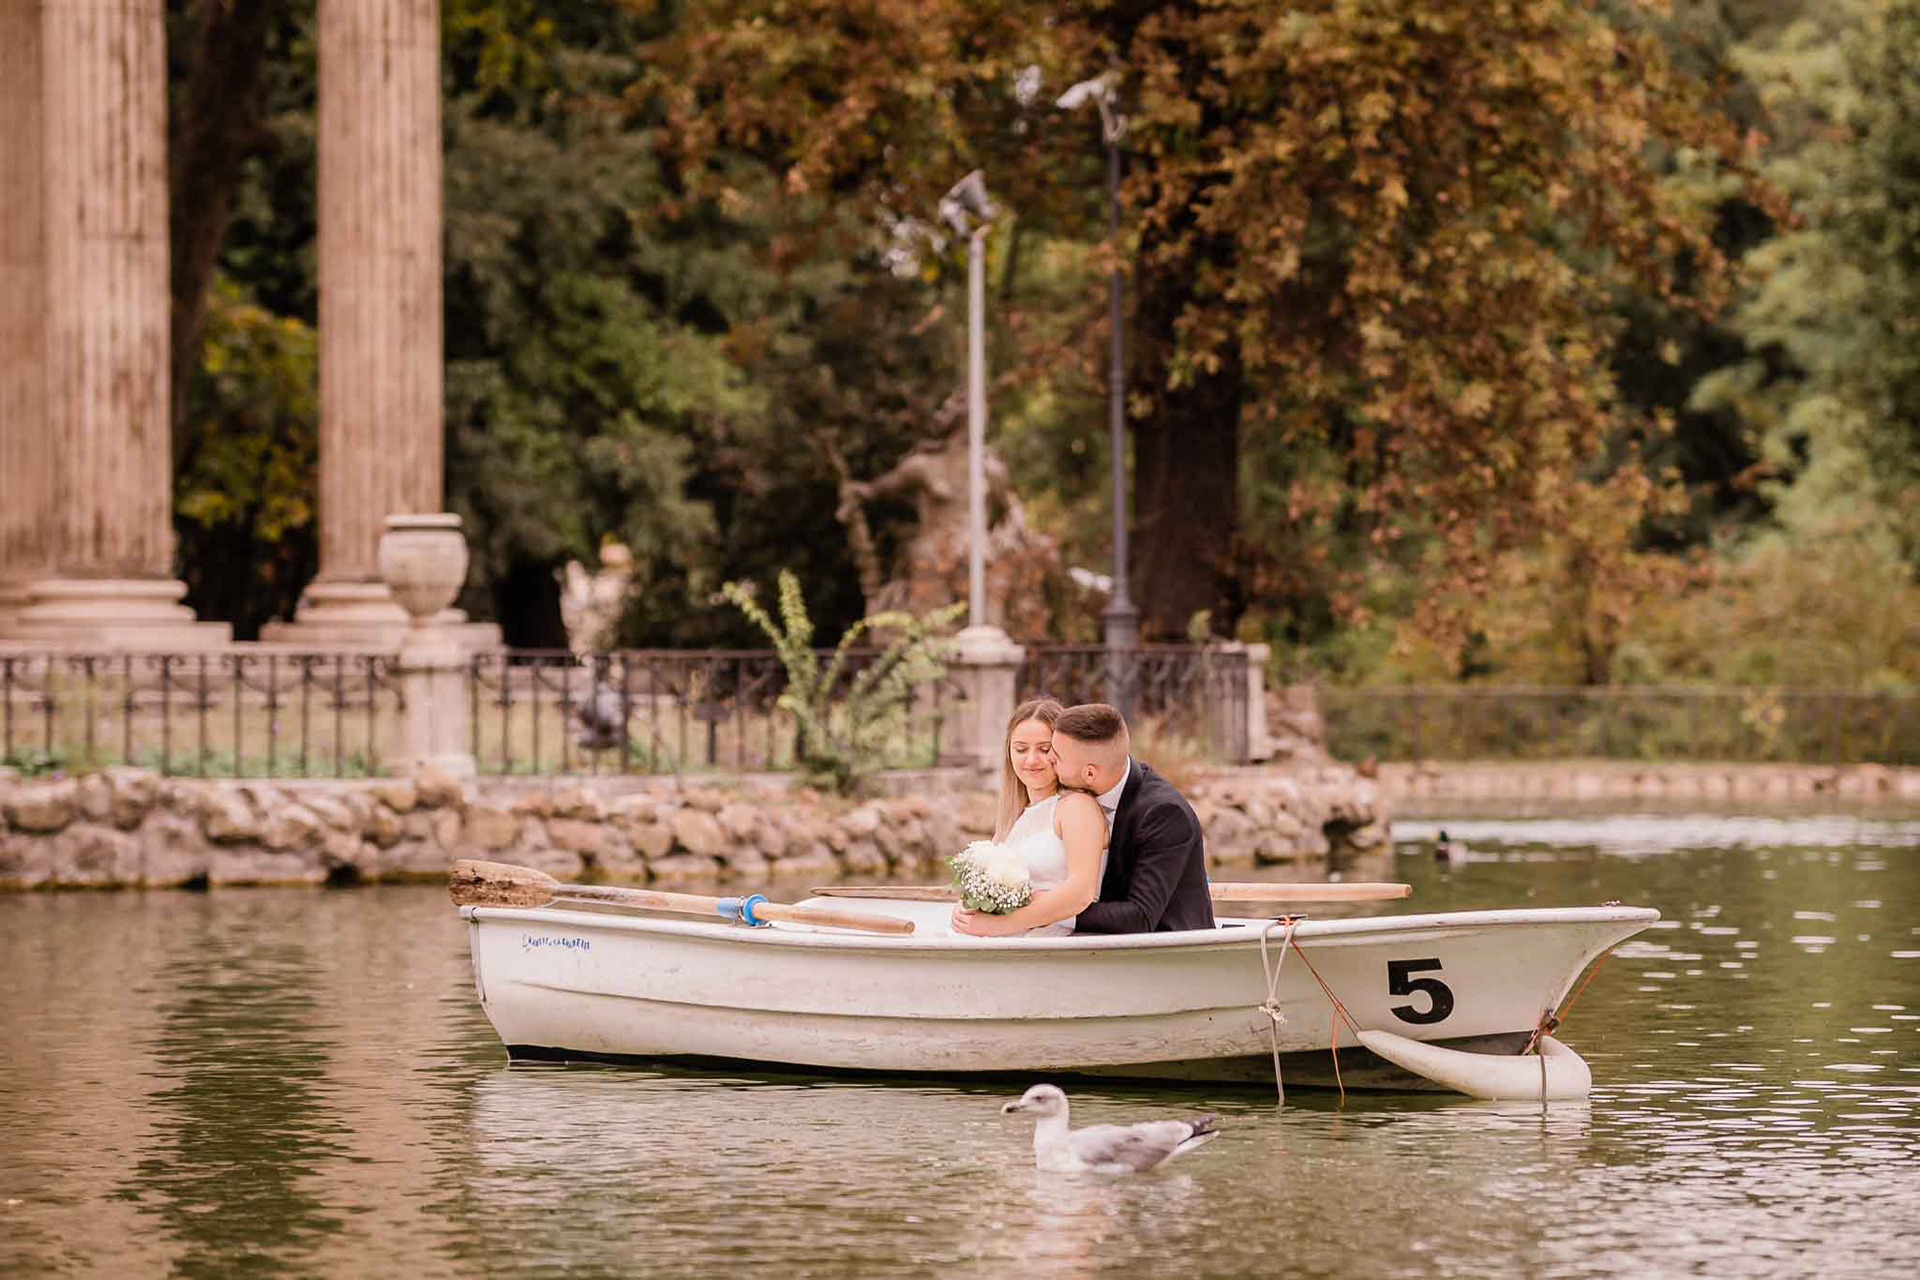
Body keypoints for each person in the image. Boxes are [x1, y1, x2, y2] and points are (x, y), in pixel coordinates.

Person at [1047, 703, 1215, 934]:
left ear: (1090, 773)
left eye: (1056, 758)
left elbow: (1141, 916)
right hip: (1089, 949)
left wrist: (1045, 912)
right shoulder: (1069, 795)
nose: (1048, 761)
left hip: (1167, 954)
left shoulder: (1164, 814)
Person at [949, 697, 1109, 938]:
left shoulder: (1075, 807)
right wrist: (968, 907)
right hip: (1008, 944)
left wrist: (999, 925)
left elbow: (1081, 892)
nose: (1031, 760)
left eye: (1045, 750)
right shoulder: (1015, 818)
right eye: (1021, 749)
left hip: (1051, 946)